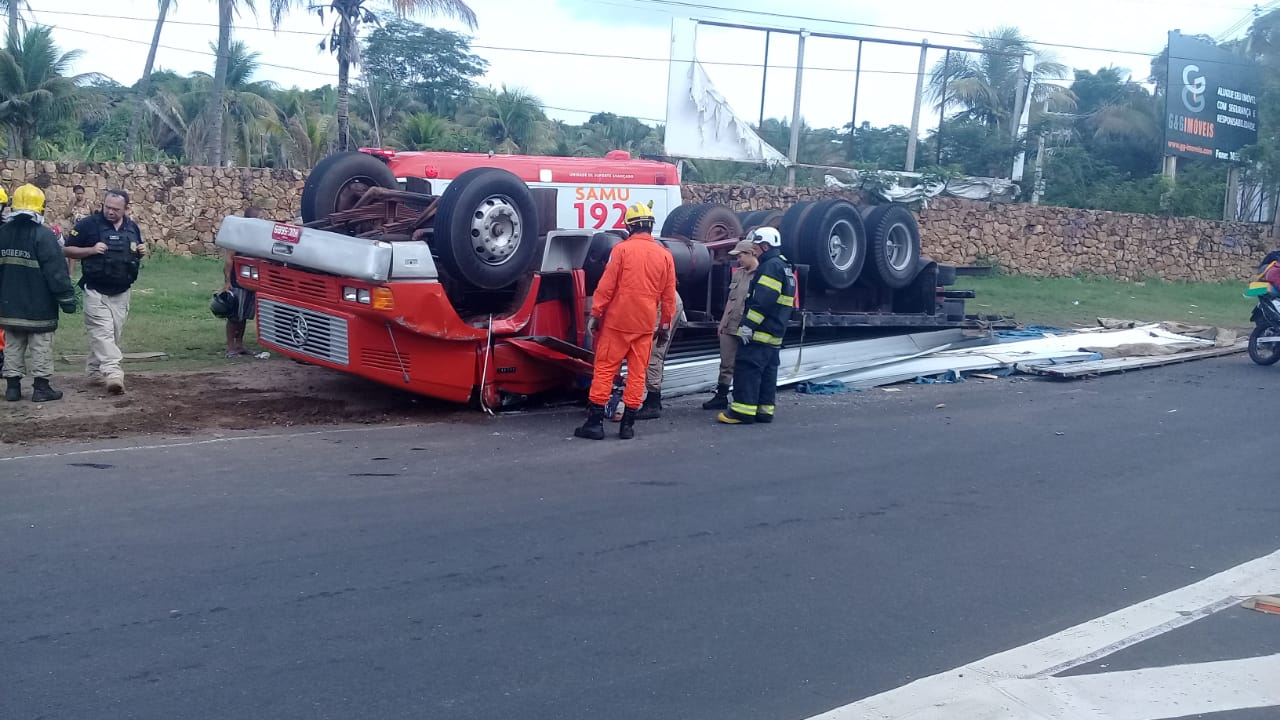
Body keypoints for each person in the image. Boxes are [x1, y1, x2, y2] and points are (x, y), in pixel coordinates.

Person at [575, 201, 678, 441]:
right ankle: (628, 426)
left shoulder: (620, 251)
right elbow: (668, 296)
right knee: (637, 374)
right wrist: (664, 325)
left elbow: (606, 286)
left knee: (605, 370)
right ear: (651, 226)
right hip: (644, 325)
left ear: (630, 227)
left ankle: (594, 424)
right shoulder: (665, 256)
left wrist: (596, 314)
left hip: (617, 323)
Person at [63, 189, 147, 395]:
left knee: (111, 335)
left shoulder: (132, 227)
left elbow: (135, 250)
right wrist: (91, 250)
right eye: (107, 207)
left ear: (125, 209)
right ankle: (113, 373)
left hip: (122, 291)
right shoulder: (88, 225)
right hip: (95, 290)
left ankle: (93, 372)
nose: (110, 211)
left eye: (115, 209)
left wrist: (143, 251)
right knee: (102, 332)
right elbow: (66, 249)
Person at [0, 185, 78, 402]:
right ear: (41, 208)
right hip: (40, 308)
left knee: (13, 345)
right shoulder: (44, 236)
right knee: (41, 346)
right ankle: (41, 388)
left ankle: (13, 389)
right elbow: (56, 273)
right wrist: (67, 300)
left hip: (9, 306)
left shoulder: (2, 234)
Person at [717, 226, 796, 425]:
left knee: (748, 369)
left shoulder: (770, 267)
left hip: (762, 330)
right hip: (775, 331)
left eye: (756, 246)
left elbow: (763, 300)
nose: (755, 250)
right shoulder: (785, 266)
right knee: (768, 372)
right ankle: (764, 410)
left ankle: (742, 411)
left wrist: (748, 325)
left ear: (765, 245)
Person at [702, 238, 760, 411]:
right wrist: (722, 323)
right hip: (730, 325)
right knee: (726, 363)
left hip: (747, 326)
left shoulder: (761, 275)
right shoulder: (738, 273)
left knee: (745, 364)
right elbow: (731, 299)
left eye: (741, 255)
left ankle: (744, 398)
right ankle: (721, 396)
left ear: (751, 254)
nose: (739, 259)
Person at [634, 291, 684, 420]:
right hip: (665, 299)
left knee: (653, 352)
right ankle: (654, 399)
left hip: (662, 303)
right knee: (657, 352)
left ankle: (652, 403)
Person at [222, 206, 262, 357]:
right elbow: (229, 260)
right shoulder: (238, 235)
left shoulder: (257, 237)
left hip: (251, 281)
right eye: (260, 218)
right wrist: (227, 282)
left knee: (244, 314)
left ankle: (239, 345)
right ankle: (231, 347)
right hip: (237, 280)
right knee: (234, 315)